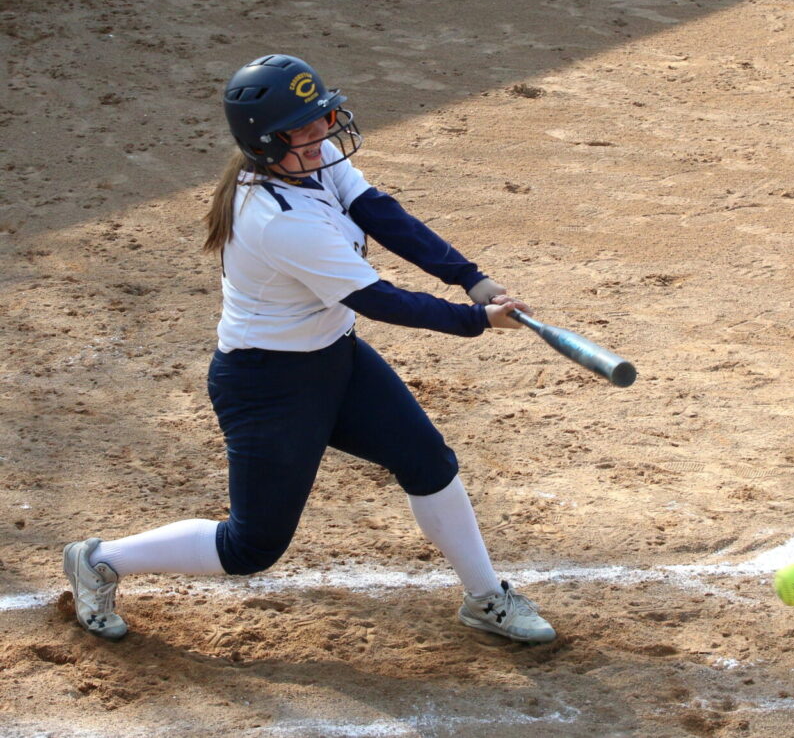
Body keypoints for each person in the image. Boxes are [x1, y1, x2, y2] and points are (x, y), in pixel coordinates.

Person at [62, 54, 555, 645]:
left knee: (428, 462)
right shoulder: (277, 219)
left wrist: (469, 277)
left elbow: (381, 213)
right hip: (269, 385)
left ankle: (484, 598)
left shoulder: (309, 165)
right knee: (251, 547)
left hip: (335, 359)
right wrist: (477, 319)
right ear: (267, 143)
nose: (323, 134)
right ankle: (99, 560)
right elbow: (379, 300)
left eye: (322, 118)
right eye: (305, 127)